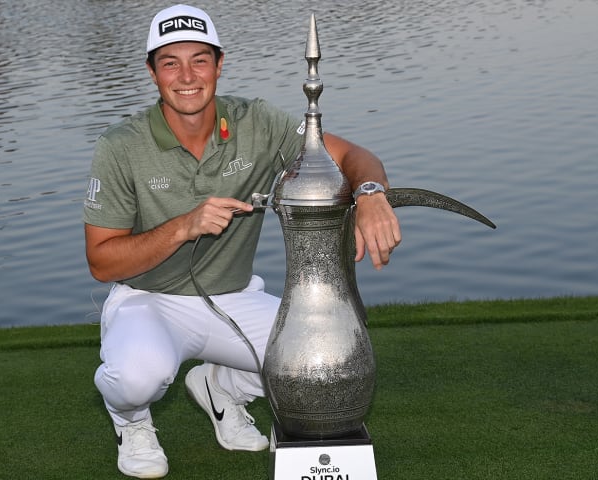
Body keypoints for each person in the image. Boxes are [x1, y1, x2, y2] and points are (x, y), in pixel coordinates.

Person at [83, 4, 401, 478]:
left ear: (219, 65)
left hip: (233, 298)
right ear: (152, 72)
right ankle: (131, 422)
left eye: (199, 60)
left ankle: (221, 386)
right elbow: (102, 263)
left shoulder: (257, 122)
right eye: (170, 62)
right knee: (135, 378)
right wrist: (183, 226)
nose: (187, 76)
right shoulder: (119, 145)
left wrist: (371, 193)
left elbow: (352, 154)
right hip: (147, 300)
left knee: (321, 355)